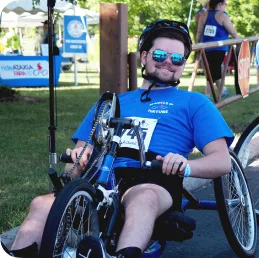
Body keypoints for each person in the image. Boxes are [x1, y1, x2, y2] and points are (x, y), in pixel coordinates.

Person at [3, 19, 234, 258]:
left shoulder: (194, 103)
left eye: (177, 58)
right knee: (41, 204)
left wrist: (186, 166)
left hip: (154, 178)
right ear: (144, 57)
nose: (168, 61)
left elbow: (222, 161)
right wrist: (77, 163)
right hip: (101, 181)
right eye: (161, 54)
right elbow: (75, 163)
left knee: (142, 198)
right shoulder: (111, 102)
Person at [196, 0, 240, 100]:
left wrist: (197, 46)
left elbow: (199, 33)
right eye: (225, 4)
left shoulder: (204, 15)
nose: (226, 6)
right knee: (213, 72)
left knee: (211, 71)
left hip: (205, 48)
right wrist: (240, 41)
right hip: (218, 48)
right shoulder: (223, 16)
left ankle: (212, 93)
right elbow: (232, 32)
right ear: (220, 4)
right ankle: (216, 93)